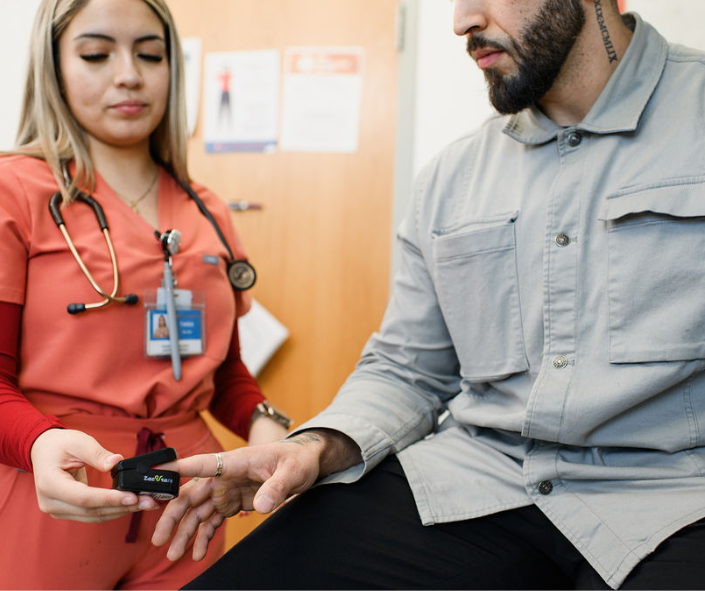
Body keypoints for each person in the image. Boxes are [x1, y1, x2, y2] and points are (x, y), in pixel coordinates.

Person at [152, 0, 705, 588]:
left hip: (672, 501)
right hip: (478, 482)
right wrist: (314, 445)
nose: (463, 21)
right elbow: (407, 369)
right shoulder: (453, 176)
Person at [0, 0, 291, 588]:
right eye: (96, 54)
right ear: (53, 67)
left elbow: (223, 372)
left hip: (190, 507)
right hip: (58, 490)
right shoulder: (15, 192)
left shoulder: (208, 210)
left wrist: (268, 427)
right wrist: (39, 443)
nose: (129, 74)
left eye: (150, 55)